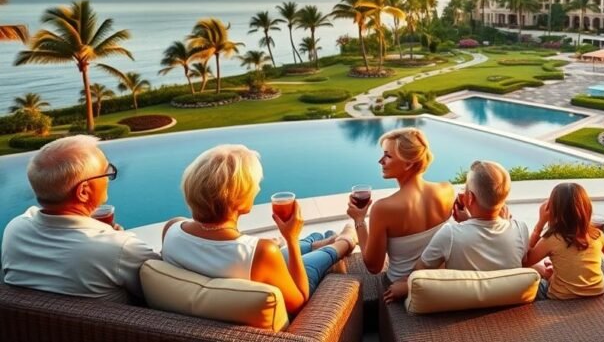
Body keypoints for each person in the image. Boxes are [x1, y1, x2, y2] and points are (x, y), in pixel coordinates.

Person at [161, 144, 355, 314]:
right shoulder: (260, 253)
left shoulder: (171, 229)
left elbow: (210, 251)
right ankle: (345, 242)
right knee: (305, 260)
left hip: (210, 306)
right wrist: (291, 239)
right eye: (254, 185)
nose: (258, 190)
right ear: (237, 197)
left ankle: (321, 240)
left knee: (309, 239)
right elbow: (299, 300)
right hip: (278, 314)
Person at [1, 135, 159, 303]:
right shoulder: (118, 249)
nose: (107, 178)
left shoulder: (15, 229)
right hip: (115, 328)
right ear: (83, 191)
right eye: (106, 172)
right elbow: (166, 283)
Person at [383, 160, 531, 302]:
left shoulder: (450, 234)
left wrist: (404, 287)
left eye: (465, 188)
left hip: (459, 309)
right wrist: (469, 221)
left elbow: (418, 273)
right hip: (505, 307)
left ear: (469, 198)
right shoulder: (520, 230)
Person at [346, 128, 455, 302]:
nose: (380, 161)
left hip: (401, 285)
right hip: (439, 279)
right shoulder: (446, 189)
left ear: (408, 163)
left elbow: (374, 267)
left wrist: (359, 220)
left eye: (388, 156)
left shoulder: (384, 208)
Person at [523, 183, 604, 299]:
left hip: (562, 297)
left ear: (552, 211)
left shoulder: (551, 239)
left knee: (536, 282)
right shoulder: (597, 234)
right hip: (597, 291)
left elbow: (526, 261)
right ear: (587, 208)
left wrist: (540, 223)